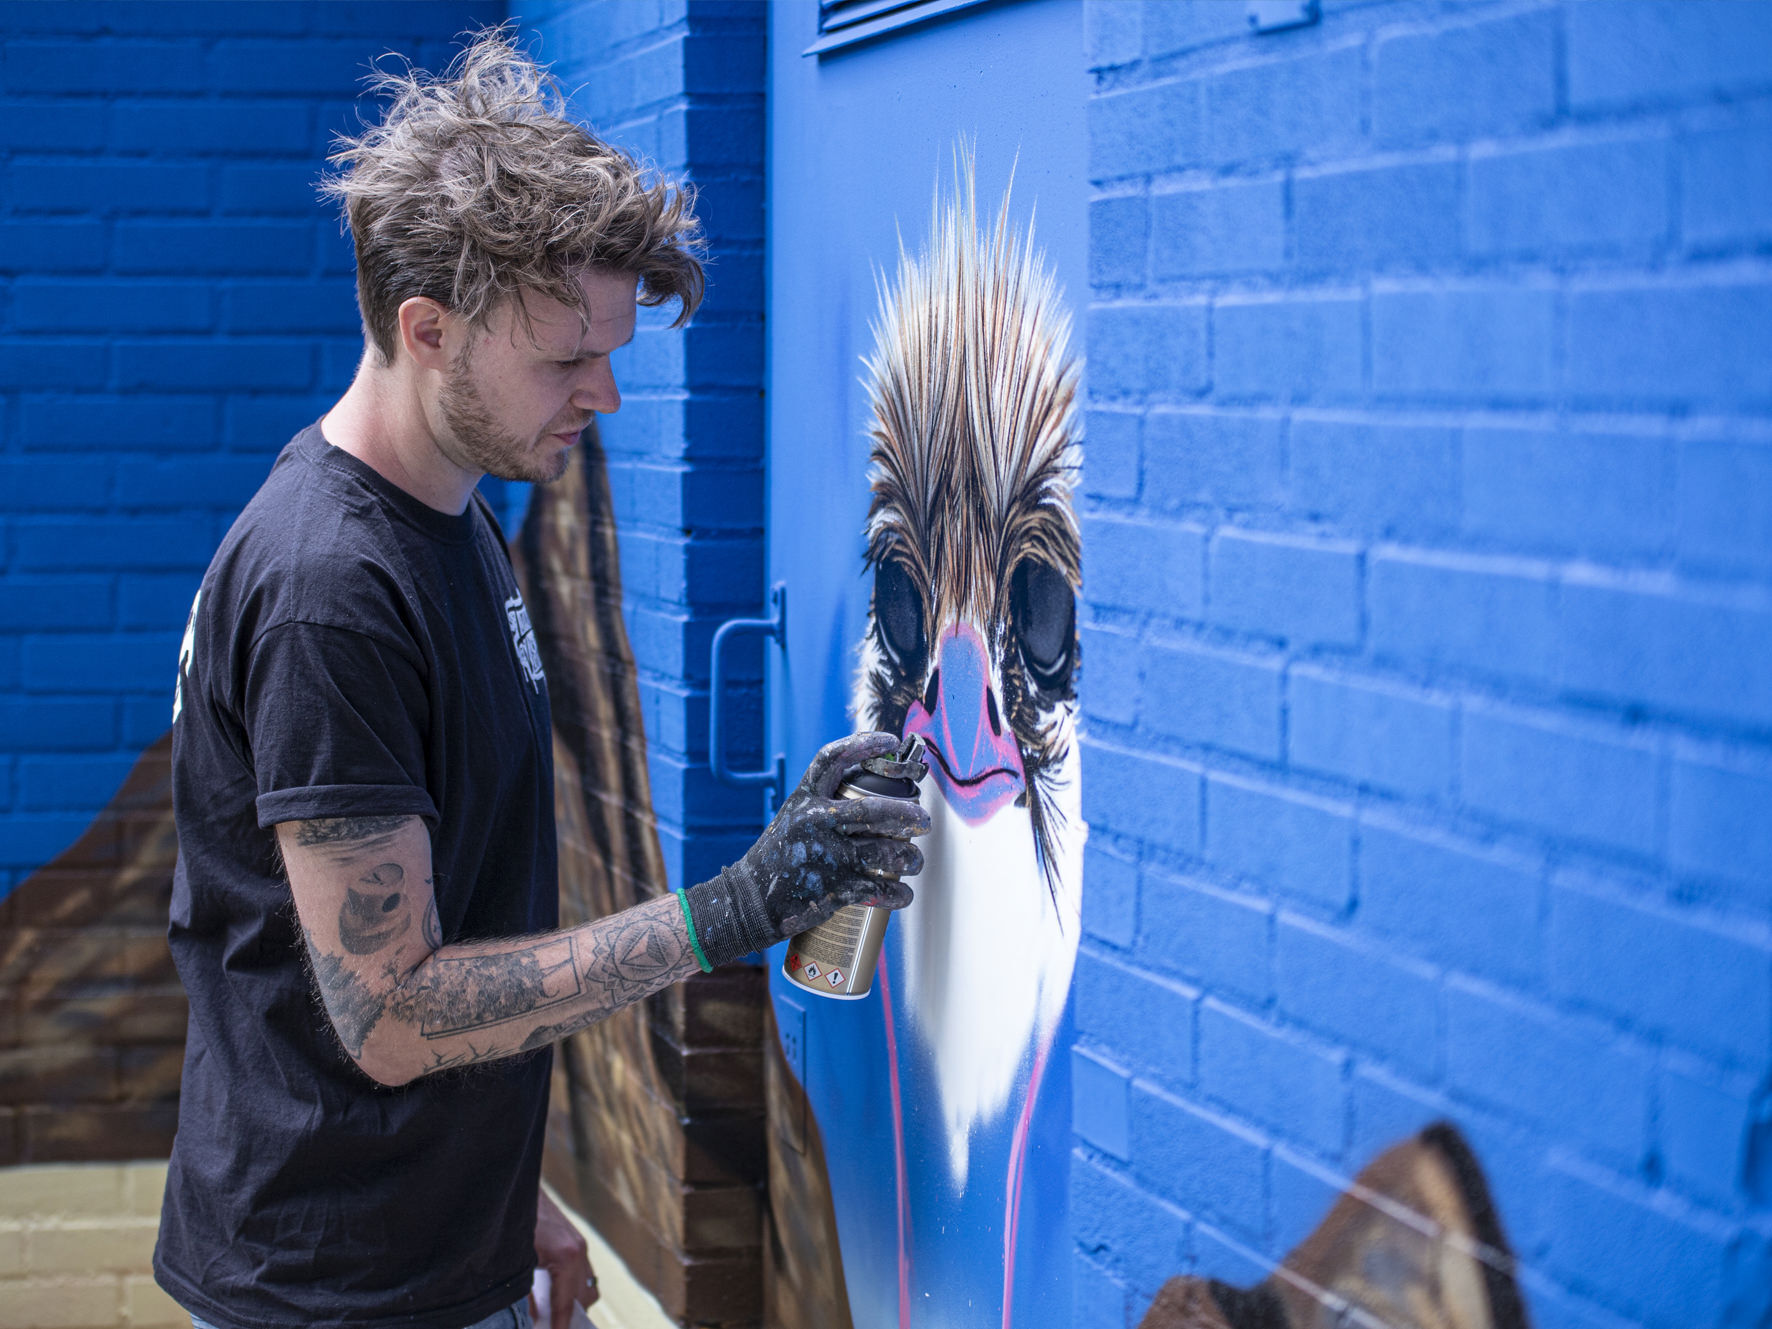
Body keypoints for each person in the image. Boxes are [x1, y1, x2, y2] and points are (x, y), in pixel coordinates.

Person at [152, 30, 929, 1329]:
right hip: (334, 1294)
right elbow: (393, 1012)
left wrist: (506, 1196)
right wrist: (731, 908)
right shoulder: (329, 591)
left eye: (611, 351)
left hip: (432, 1249)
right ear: (426, 329)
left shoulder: (454, 517)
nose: (607, 394)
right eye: (568, 359)